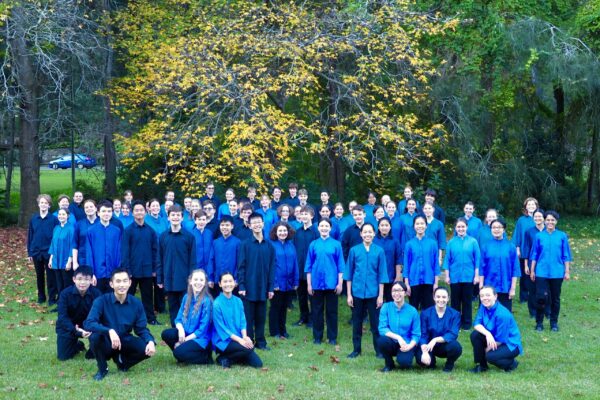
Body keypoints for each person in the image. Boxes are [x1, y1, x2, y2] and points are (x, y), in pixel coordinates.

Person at [84, 268, 156, 381]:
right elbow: (89, 323)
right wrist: (109, 331)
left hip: (124, 339)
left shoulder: (136, 303)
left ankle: (123, 362)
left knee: (146, 348)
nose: (121, 285)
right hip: (106, 340)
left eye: (124, 281)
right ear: (111, 284)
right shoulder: (101, 301)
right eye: (118, 281)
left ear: (130, 283)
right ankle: (103, 369)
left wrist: (150, 341)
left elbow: (141, 329)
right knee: (95, 337)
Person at [345, 223, 388, 358]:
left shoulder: (379, 251)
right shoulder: (354, 250)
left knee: (375, 325)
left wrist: (381, 296)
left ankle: (379, 350)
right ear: (361, 234)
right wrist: (349, 294)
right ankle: (356, 350)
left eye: (370, 232)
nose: (367, 234)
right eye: (365, 232)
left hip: (373, 293)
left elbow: (382, 275)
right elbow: (349, 274)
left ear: (374, 234)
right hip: (357, 292)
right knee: (357, 323)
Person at [237, 213, 276, 350]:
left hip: (264, 287)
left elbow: (272, 268)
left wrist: (271, 288)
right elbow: (241, 266)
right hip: (248, 286)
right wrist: (241, 285)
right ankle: (249, 341)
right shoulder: (245, 245)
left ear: (263, 223)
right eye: (253, 223)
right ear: (249, 225)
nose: (257, 225)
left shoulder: (269, 246)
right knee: (248, 317)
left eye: (259, 222)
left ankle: (261, 342)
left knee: (261, 316)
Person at [530, 210, 572, 332]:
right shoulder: (538, 236)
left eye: (552, 220)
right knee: (541, 298)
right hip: (541, 272)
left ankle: (554, 323)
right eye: (547, 220)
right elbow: (534, 255)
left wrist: (567, 271)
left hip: (557, 272)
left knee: (555, 298)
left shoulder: (562, 236)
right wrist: (532, 270)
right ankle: (539, 323)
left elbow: (566, 255)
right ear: (544, 220)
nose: (550, 222)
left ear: (556, 221)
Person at [305, 218, 345, 345]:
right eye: (321, 225)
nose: (324, 228)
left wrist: (340, 283)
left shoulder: (336, 244)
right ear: (318, 228)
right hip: (316, 283)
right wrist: (309, 284)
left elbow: (341, 266)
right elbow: (308, 266)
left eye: (326, 226)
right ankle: (317, 337)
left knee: (332, 312)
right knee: (316, 311)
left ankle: (332, 337)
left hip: (332, 283)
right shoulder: (313, 244)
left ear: (330, 228)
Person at [212, 272, 263, 369]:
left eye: (230, 281)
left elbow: (242, 321)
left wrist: (245, 337)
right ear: (220, 284)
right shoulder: (216, 304)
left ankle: (227, 358)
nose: (228, 284)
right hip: (223, 341)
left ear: (235, 283)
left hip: (238, 338)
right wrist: (241, 341)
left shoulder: (238, 301)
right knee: (247, 349)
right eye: (225, 281)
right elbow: (222, 329)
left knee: (258, 363)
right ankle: (222, 358)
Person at [161, 269, 213, 364]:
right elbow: (178, 319)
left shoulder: (206, 301)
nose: (198, 282)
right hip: (186, 332)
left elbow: (202, 330)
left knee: (178, 352)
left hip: (200, 338)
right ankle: (184, 354)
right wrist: (180, 330)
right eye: (196, 279)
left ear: (205, 283)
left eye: (201, 280)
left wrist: (183, 341)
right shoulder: (186, 297)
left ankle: (205, 357)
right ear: (190, 281)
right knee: (166, 334)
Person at [157, 205, 197, 327]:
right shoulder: (163, 236)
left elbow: (193, 261)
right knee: (173, 307)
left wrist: (192, 279)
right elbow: (160, 258)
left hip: (184, 279)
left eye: (178, 215)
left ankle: (186, 330)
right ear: (168, 218)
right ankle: (175, 330)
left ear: (182, 217)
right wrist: (160, 278)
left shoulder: (189, 237)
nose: (175, 217)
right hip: (169, 278)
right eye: (172, 215)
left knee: (186, 307)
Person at [121, 200, 160, 325]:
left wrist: (154, 269)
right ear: (132, 213)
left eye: (141, 210)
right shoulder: (128, 231)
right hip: (132, 270)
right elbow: (125, 252)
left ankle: (150, 318)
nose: (139, 212)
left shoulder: (150, 231)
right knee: (129, 296)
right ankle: (126, 318)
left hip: (147, 270)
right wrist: (127, 270)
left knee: (148, 296)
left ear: (145, 212)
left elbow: (155, 251)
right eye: (136, 210)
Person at [470, 286, 522, 373]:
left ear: (495, 296)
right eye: (482, 296)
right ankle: (482, 366)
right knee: (475, 335)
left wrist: (485, 351)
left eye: (488, 295)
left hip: (509, 344)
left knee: (490, 356)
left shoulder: (502, 314)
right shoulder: (483, 306)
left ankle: (512, 363)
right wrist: (487, 334)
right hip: (493, 337)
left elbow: (500, 340)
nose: (484, 298)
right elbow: (476, 324)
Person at [56, 266, 101, 360]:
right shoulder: (65, 294)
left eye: (86, 279)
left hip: (89, 325)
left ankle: (92, 350)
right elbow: (62, 317)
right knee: (63, 357)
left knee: (93, 355)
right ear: (74, 279)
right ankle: (77, 344)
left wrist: (91, 327)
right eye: (79, 279)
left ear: (91, 280)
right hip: (70, 326)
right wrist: (75, 330)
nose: (83, 282)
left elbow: (101, 315)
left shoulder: (97, 294)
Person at [443, 218, 480, 330]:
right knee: (455, 301)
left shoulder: (473, 242)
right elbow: (447, 260)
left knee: (467, 301)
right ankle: (456, 322)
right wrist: (447, 275)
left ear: (467, 227)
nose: (461, 229)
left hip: (469, 276)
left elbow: (477, 260)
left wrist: (477, 275)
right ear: (455, 228)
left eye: (463, 226)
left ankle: (467, 323)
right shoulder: (451, 242)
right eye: (458, 227)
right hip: (455, 276)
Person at [377, 281, 420, 372]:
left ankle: (409, 355)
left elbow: (416, 334)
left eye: (399, 290)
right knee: (381, 340)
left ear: (404, 293)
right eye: (394, 291)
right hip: (391, 341)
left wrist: (409, 346)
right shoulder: (386, 307)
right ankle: (389, 364)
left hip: (406, 343)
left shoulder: (412, 311)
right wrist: (398, 337)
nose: (396, 293)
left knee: (404, 363)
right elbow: (382, 328)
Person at [416, 287, 462, 372]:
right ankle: (431, 361)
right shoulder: (425, 313)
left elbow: (453, 334)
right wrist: (424, 351)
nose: (441, 299)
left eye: (444, 297)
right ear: (434, 297)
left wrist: (435, 340)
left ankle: (449, 364)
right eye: (438, 297)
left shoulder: (455, 314)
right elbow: (423, 334)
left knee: (456, 347)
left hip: (445, 345)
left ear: (448, 298)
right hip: (429, 345)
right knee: (421, 361)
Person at [479, 219, 520, 311]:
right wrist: (481, 285)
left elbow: (515, 269)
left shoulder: (511, 247)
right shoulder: (485, 246)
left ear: (504, 229)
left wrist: (513, 288)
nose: (496, 230)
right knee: (487, 313)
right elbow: (482, 267)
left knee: (504, 313)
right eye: (494, 227)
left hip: (505, 286)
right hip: (489, 285)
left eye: (499, 227)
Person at [268, 222, 299, 339]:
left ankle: (283, 330)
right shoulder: (271, 245)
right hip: (277, 283)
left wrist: (295, 281)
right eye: (280, 231)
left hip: (288, 283)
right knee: (275, 307)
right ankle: (274, 331)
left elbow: (295, 263)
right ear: (275, 232)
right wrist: (274, 283)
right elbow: (270, 266)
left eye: (285, 231)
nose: (283, 233)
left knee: (284, 307)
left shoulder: (291, 245)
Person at [28, 194, 59, 305]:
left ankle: (52, 298)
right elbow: (30, 236)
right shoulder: (33, 219)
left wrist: (54, 253)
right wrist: (30, 252)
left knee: (51, 277)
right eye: (41, 203)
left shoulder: (54, 219)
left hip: (49, 252)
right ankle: (41, 297)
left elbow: (56, 237)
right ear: (38, 204)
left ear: (49, 205)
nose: (43, 205)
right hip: (36, 252)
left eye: (46, 203)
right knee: (39, 275)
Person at [403, 216, 440, 310]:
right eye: (417, 224)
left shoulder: (433, 243)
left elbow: (436, 264)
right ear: (414, 226)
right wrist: (407, 284)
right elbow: (406, 265)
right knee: (413, 309)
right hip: (413, 281)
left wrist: (436, 283)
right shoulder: (409, 244)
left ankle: (428, 325)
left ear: (426, 226)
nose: (420, 226)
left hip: (429, 281)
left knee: (429, 309)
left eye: (422, 223)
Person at [86, 201, 122, 293]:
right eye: (104, 211)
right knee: (97, 298)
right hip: (98, 272)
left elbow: (119, 252)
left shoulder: (116, 231)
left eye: (109, 211)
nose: (106, 214)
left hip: (112, 272)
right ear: (98, 213)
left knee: (111, 298)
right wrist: (91, 273)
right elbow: (89, 254)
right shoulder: (91, 231)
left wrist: (117, 272)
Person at [293, 205, 319, 327]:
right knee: (301, 296)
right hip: (299, 268)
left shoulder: (316, 232)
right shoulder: (297, 232)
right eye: (302, 214)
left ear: (312, 216)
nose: (303, 216)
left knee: (313, 296)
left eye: (306, 214)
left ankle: (314, 319)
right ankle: (304, 317)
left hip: (312, 270)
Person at [512, 197, 539, 307]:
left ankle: (536, 294)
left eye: (533, 205)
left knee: (537, 273)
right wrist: (517, 248)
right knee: (524, 274)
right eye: (529, 205)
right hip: (524, 251)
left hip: (537, 251)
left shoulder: (540, 218)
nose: (531, 206)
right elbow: (517, 234)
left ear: (536, 206)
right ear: (526, 207)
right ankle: (524, 296)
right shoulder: (521, 220)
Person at [522, 209, 548, 318]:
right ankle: (532, 311)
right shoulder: (529, 231)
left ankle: (547, 311)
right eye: (535, 217)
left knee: (547, 289)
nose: (537, 219)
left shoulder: (549, 230)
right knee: (532, 289)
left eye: (540, 217)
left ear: (544, 218)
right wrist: (526, 264)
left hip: (546, 264)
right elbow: (526, 249)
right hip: (532, 263)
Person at [207, 216, 241, 298]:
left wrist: (236, 279)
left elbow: (239, 262)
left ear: (232, 226)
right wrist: (210, 278)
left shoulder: (237, 242)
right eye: (222, 225)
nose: (224, 227)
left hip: (232, 281)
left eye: (227, 225)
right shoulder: (215, 242)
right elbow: (211, 261)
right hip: (217, 280)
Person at [374, 217, 403, 302]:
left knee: (391, 300)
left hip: (391, 275)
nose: (384, 227)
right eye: (382, 225)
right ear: (378, 227)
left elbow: (398, 259)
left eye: (386, 225)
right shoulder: (374, 240)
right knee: (377, 301)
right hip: (376, 276)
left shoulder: (395, 241)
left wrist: (398, 276)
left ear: (390, 227)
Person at [48, 208, 75, 298]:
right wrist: (51, 259)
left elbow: (72, 245)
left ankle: (67, 303)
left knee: (66, 283)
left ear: (68, 216)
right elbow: (53, 243)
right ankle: (60, 302)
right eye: (59, 214)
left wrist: (69, 261)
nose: (61, 216)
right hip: (56, 260)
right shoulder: (56, 228)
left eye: (63, 214)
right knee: (58, 283)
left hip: (65, 260)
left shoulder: (71, 228)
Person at [72, 199, 99, 271]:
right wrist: (74, 262)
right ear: (84, 210)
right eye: (86, 207)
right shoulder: (79, 224)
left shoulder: (101, 223)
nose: (89, 209)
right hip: (83, 259)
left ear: (96, 208)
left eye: (91, 206)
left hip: (99, 259)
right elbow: (75, 245)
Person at [422, 202, 446, 267]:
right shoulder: (420, 223)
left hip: (434, 252)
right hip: (421, 252)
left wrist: (440, 258)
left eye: (429, 208)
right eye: (425, 208)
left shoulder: (439, 224)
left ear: (433, 209)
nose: (427, 210)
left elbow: (441, 241)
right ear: (423, 210)